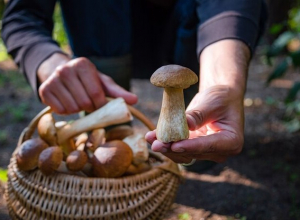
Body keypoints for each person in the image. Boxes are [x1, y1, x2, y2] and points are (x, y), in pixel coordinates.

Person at [1, 0, 267, 167]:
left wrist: (223, 84)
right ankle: (110, 131)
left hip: (191, 38)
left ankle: (202, 111)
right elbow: (21, 16)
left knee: (196, 158)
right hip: (103, 37)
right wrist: (49, 62)